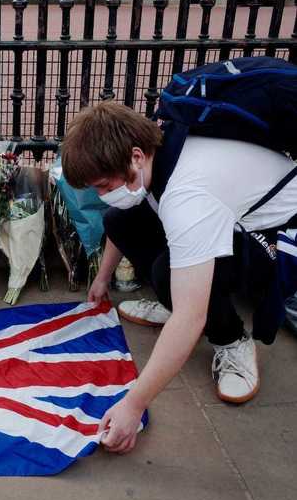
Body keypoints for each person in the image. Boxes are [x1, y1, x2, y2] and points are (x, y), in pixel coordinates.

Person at [62, 101, 297, 454]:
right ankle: (176, 294)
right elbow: (123, 217)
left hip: (276, 239)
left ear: (136, 157)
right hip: (232, 216)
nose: (102, 195)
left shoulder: (188, 196)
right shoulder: (161, 149)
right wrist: (102, 277)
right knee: (119, 220)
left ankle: (233, 341)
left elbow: (190, 318)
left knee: (169, 277)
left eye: (103, 185)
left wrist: (133, 405)